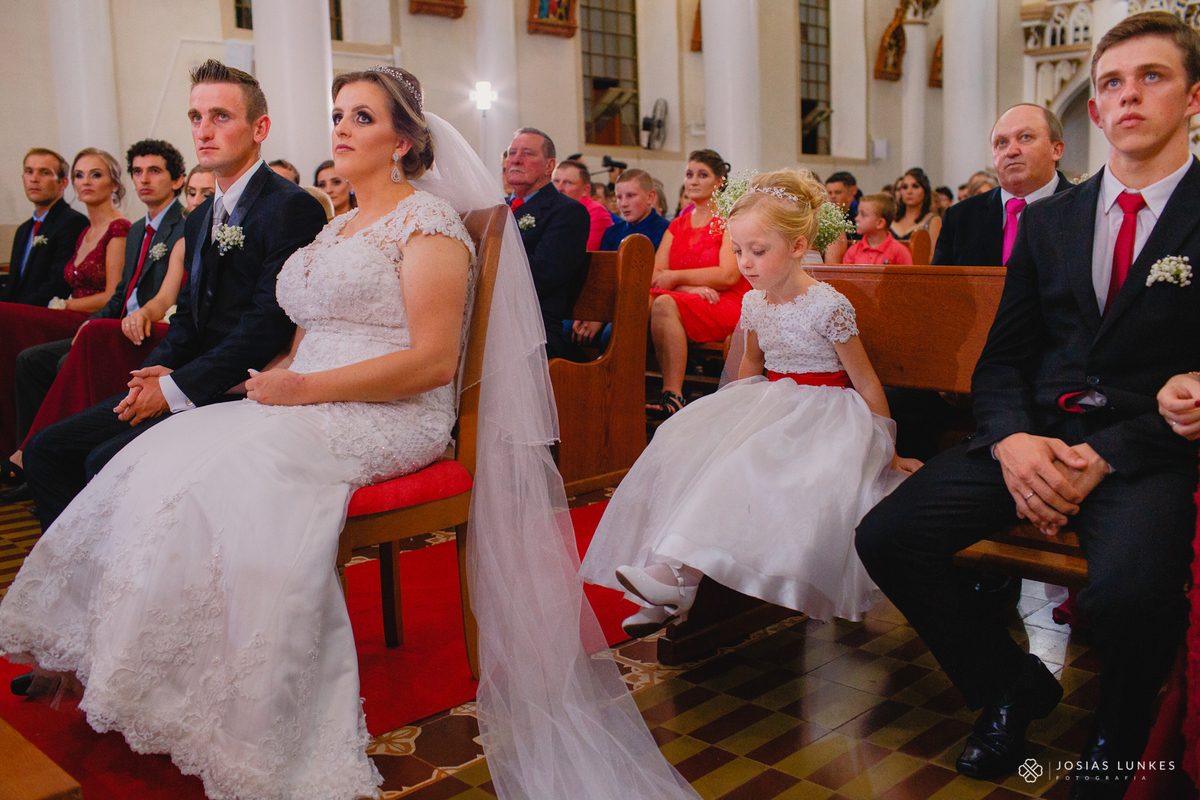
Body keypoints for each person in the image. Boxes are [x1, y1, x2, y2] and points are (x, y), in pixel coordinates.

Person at [1, 64, 703, 800]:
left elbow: (431, 364)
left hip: (392, 414)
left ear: (404, 142)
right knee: (161, 456)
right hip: (308, 398)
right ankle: (148, 672)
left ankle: (244, 705)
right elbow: (311, 334)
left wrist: (301, 390)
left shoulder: (429, 228)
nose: (340, 128)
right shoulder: (336, 225)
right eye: (338, 114)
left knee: (230, 476)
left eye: (362, 118)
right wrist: (271, 387)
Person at [856, 12, 1200, 796]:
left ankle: (1115, 740)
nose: (1127, 96)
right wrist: (1011, 440)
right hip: (1037, 433)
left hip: (1149, 448)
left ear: (1193, 98)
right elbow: (1005, 357)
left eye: (1153, 77)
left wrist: (1110, 452)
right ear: (1098, 107)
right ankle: (1011, 686)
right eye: (1112, 82)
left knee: (1128, 593)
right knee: (889, 535)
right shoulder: (1051, 221)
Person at [580, 169, 921, 637]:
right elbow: (750, 367)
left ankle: (675, 579)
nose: (745, 263)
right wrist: (733, 417)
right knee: (695, 455)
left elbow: (866, 382)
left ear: (798, 246)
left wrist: (887, 448)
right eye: (738, 250)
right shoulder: (755, 303)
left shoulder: (828, 305)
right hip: (773, 400)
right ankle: (667, 581)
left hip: (825, 413)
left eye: (758, 251)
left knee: (740, 470)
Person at [21, 60, 326, 531]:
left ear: (259, 127)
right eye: (195, 117)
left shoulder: (291, 207)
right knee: (46, 448)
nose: (203, 131)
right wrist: (154, 372)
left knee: (104, 460)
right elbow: (188, 319)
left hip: (241, 387)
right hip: (188, 376)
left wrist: (173, 389)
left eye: (220, 116)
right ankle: (86, 585)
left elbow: (266, 326)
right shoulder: (201, 216)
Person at [7, 140, 189, 497]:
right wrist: (92, 322)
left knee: (66, 360)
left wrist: (103, 321)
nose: (144, 180)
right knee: (30, 360)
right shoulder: (138, 229)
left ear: (177, 180)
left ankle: (52, 462)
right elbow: (121, 293)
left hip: (149, 327)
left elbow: (165, 298)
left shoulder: (184, 226)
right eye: (138, 171)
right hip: (117, 322)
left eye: (154, 171)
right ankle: (32, 456)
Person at [0, 149, 129, 459]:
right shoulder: (85, 231)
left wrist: (65, 305)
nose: (85, 182)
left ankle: (28, 453)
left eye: (95, 174)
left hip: (90, 317)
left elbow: (114, 295)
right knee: (26, 357)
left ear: (114, 183)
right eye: (79, 175)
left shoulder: (119, 228)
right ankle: (21, 447)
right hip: (67, 312)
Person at [645, 149, 747, 419]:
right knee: (647, 298)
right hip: (690, 297)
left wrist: (677, 278)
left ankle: (673, 394)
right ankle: (625, 384)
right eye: (689, 174)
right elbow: (656, 273)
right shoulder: (677, 224)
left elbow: (728, 276)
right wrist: (688, 289)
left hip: (725, 301)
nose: (693, 181)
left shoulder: (728, 221)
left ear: (719, 182)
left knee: (663, 301)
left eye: (702, 175)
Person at [935, 104, 1073, 267]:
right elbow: (939, 289)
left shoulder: (1084, 210)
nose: (1011, 151)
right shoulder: (960, 218)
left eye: (1025, 137)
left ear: (1056, 150)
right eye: (1001, 142)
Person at [504, 126, 590, 360]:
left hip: (533, 328)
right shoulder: (495, 208)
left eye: (527, 154)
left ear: (549, 166)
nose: (516, 160)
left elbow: (541, 275)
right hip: (493, 318)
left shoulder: (568, 212)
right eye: (512, 153)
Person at [567, 169, 670, 350]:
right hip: (608, 301)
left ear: (650, 197)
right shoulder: (613, 232)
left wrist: (602, 318)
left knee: (611, 337)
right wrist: (593, 313)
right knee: (568, 330)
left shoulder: (663, 230)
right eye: (619, 197)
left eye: (630, 196)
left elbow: (647, 280)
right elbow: (603, 276)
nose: (623, 204)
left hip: (640, 305)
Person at [3, 149, 88, 306]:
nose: (34, 179)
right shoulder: (23, 230)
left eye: (44, 173)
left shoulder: (73, 222)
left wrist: (18, 311)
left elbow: (59, 283)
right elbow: (14, 284)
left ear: (62, 183)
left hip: (44, 315)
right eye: (29, 172)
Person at [551, 157, 611, 248]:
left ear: (585, 190)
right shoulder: (548, 208)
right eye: (556, 181)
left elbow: (586, 251)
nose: (559, 188)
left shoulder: (596, 212)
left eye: (568, 182)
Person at [842, 193, 912, 266]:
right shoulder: (853, 251)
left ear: (880, 223)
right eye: (858, 213)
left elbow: (908, 276)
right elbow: (845, 276)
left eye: (863, 215)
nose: (856, 218)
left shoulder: (899, 251)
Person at [890, 167, 941, 250]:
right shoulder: (891, 220)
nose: (909, 191)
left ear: (925, 191)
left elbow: (934, 256)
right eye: (905, 187)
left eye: (915, 186)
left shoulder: (933, 220)